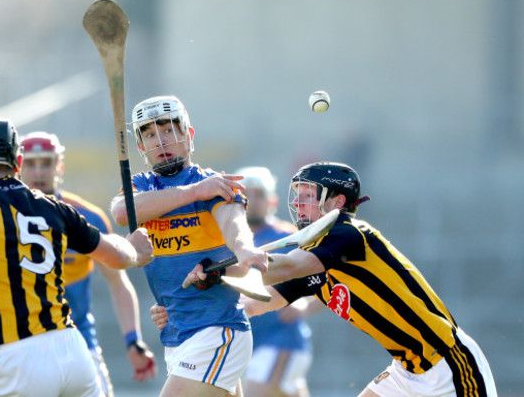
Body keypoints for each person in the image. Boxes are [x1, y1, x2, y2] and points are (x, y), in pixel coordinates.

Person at [191, 161, 497, 397]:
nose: (298, 203)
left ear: (337, 202)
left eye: (308, 195)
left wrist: (221, 270)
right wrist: (193, 309)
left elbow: (285, 268)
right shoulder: (313, 253)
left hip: (448, 364)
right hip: (407, 371)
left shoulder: (349, 234)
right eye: (296, 195)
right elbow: (259, 301)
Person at [0, 117, 154, 397]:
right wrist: (134, 247)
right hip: (74, 352)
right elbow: (117, 256)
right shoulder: (56, 208)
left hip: (18, 357)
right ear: (19, 163)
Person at [110, 95, 268, 397]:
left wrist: (245, 249)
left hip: (217, 330)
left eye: (169, 130)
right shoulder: (141, 187)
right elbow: (121, 212)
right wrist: (195, 191)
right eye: (150, 134)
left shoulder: (215, 183)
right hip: (177, 336)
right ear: (141, 147)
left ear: (188, 136)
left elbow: (234, 226)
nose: (160, 142)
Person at [150, 166, 324, 397]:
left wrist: (305, 306)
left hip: (280, 341)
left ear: (272, 201)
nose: (252, 199)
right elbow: (202, 278)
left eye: (259, 193)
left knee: (257, 392)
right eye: (247, 192)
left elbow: (325, 276)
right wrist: (169, 307)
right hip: (240, 340)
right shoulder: (220, 238)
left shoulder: (286, 236)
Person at [19, 131, 157, 395]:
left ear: (59, 165)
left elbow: (118, 283)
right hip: (25, 345)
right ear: (18, 166)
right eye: (30, 163)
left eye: (46, 163)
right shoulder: (5, 216)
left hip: (80, 342)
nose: (38, 172)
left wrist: (132, 340)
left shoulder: (86, 216)